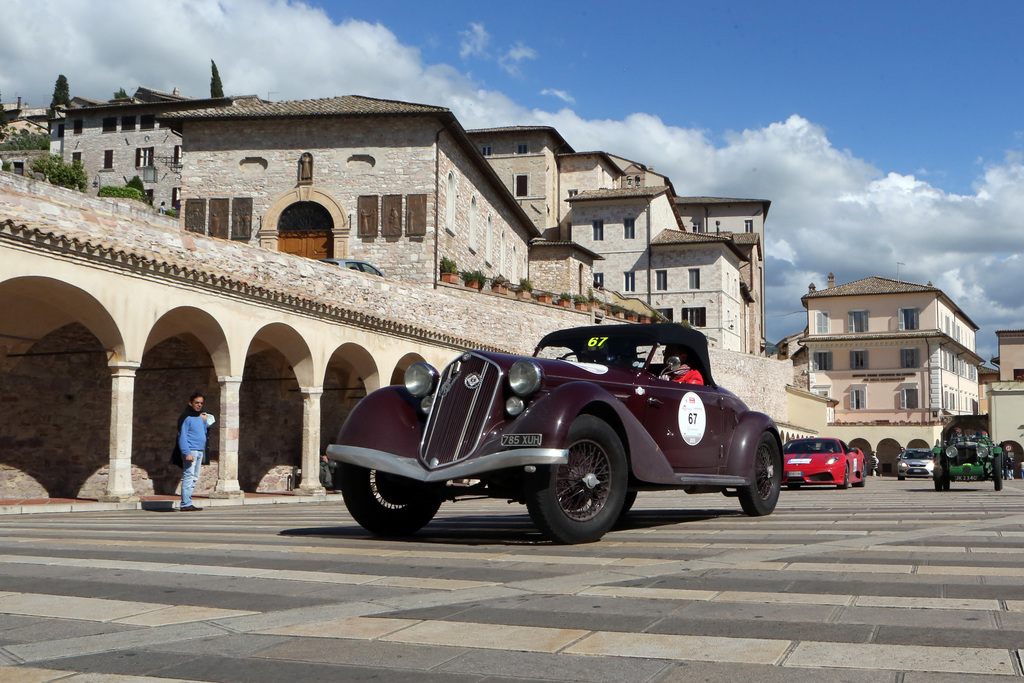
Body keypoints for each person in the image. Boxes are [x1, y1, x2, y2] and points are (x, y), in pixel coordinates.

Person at [176, 392, 210, 511]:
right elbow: (182, 436)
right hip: (191, 450)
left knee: (195, 477)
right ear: (191, 403)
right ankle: (185, 503)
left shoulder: (200, 417)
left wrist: (205, 421)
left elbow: (206, 429)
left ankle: (188, 501)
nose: (199, 405)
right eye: (197, 402)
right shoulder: (186, 418)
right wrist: (187, 452)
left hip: (200, 450)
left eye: (201, 403)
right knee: (188, 476)